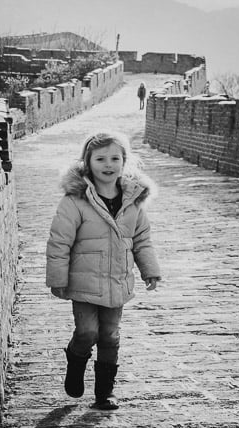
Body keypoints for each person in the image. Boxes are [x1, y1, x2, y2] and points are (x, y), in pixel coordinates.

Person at [46, 131, 161, 410]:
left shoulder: (132, 200)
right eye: (100, 159)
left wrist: (149, 269)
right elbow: (59, 241)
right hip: (84, 281)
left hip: (117, 281)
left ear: (124, 162)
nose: (107, 164)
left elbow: (141, 239)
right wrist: (57, 278)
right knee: (87, 332)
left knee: (110, 335)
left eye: (114, 158)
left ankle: (104, 393)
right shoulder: (75, 200)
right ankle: (75, 363)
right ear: (88, 162)